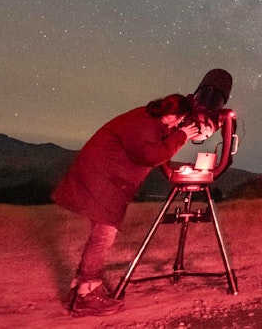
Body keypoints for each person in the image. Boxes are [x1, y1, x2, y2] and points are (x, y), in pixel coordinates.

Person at [52, 92, 207, 317]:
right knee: (104, 235)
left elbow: (160, 136)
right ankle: (87, 295)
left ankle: (79, 290)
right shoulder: (145, 125)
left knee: (100, 233)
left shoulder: (148, 118)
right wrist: (182, 135)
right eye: (181, 119)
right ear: (174, 115)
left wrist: (179, 133)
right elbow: (150, 155)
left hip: (102, 177)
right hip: (102, 180)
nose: (181, 123)